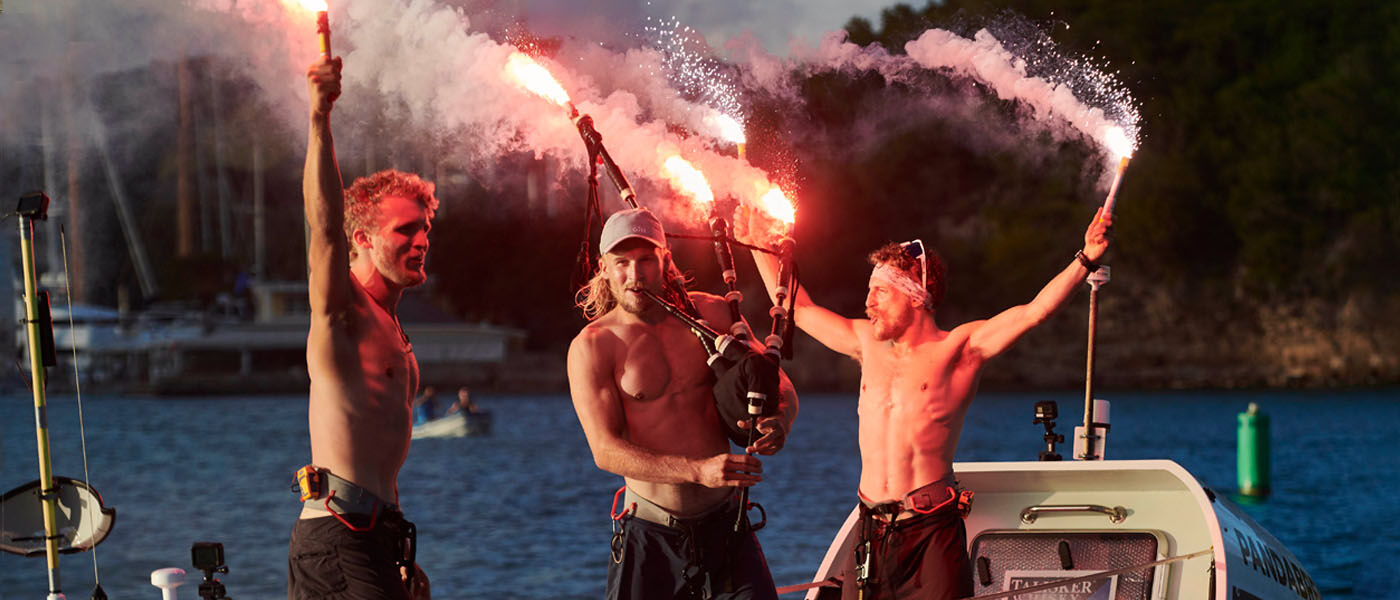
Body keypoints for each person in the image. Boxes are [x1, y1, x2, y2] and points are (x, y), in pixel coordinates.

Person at [749, 208, 1112, 600]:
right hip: (870, 528)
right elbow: (797, 308)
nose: (868, 302)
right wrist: (757, 244)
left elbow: (1034, 312)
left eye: (880, 292)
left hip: (931, 534)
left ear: (915, 295)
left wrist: (1086, 258)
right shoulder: (865, 343)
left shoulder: (959, 349)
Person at [567, 208, 798, 600]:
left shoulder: (709, 314)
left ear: (666, 261)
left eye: (645, 261)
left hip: (727, 526)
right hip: (650, 536)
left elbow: (778, 383)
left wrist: (780, 421)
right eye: (622, 263)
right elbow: (605, 452)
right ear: (603, 268)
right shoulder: (592, 346)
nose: (635, 276)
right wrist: (698, 471)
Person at [288, 53, 436, 600]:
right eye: (405, 231)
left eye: (425, 228)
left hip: (378, 535)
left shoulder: (395, 330)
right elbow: (323, 222)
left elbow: (381, 460)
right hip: (335, 537)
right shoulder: (341, 311)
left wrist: (398, 551)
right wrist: (318, 118)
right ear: (364, 240)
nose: (421, 241)